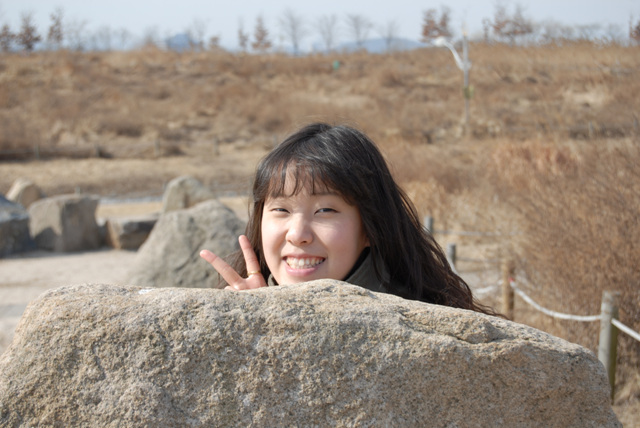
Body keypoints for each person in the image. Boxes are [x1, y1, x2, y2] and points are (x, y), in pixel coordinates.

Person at [200, 122, 497, 315]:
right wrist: (254, 319)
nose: (298, 235)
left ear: (370, 227)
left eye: (325, 211)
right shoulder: (244, 306)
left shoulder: (419, 324)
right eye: (281, 210)